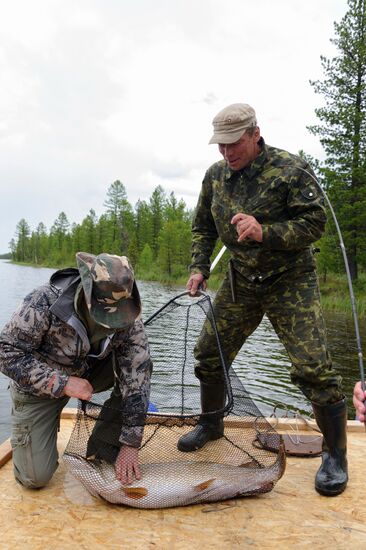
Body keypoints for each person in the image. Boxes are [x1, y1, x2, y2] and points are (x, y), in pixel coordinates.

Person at [177, 103, 348, 497]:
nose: (226, 153)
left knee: (313, 368)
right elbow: (203, 226)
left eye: (233, 143)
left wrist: (263, 232)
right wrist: (198, 267)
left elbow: (314, 224)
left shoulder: (292, 169)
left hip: (290, 279)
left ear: (255, 134)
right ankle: (211, 424)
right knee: (208, 352)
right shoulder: (215, 176)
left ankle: (336, 455)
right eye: (220, 145)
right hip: (242, 280)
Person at [0, 252, 153, 488]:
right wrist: (63, 383)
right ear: (86, 290)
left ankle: (103, 443)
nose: (111, 322)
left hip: (90, 374)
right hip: (39, 388)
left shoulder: (127, 312)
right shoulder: (44, 300)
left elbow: (138, 374)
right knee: (34, 478)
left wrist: (131, 442)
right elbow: (6, 352)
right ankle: (42, 425)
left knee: (135, 371)